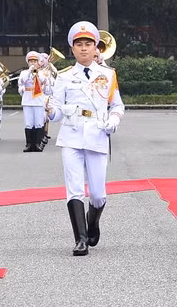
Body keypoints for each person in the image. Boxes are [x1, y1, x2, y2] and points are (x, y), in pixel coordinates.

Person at [46, 21, 125, 256]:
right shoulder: (64, 76)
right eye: (78, 44)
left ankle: (93, 222)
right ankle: (80, 239)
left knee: (98, 194)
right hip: (71, 134)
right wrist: (50, 110)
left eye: (88, 44)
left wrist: (114, 120)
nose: (83, 48)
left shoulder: (108, 75)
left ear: (95, 47)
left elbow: (117, 105)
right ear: (72, 48)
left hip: (97, 133)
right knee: (75, 188)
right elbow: (57, 112)